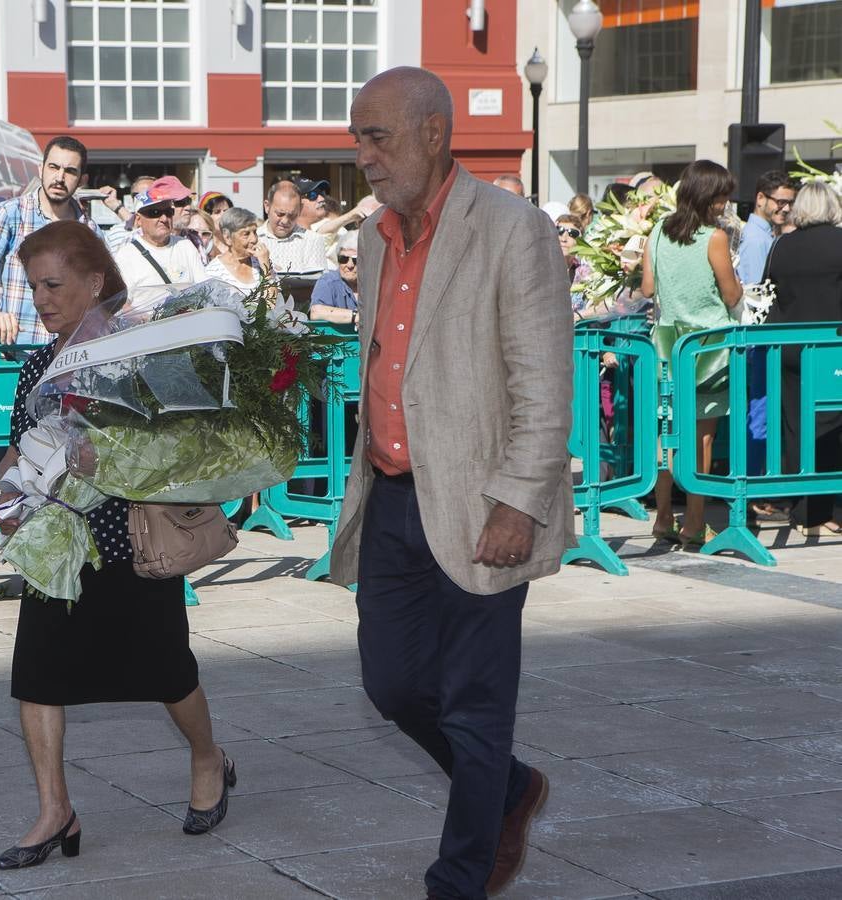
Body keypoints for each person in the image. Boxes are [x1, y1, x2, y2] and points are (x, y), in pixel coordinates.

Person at [330, 67, 574, 900]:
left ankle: (461, 874)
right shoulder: (373, 237)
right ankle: (508, 787)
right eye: (357, 136)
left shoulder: (513, 229)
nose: (361, 154)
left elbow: (544, 384)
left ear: (435, 132)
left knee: (474, 702)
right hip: (393, 493)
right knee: (390, 683)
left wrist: (519, 500)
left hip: (482, 501)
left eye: (377, 135)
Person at [0, 219, 234, 870]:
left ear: (94, 282)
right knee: (36, 675)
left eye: (53, 284)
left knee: (165, 671)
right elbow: (20, 441)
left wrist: (113, 456)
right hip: (57, 542)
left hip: (130, 538)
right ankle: (54, 810)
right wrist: (8, 493)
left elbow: (182, 447)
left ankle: (209, 758)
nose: (40, 299)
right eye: (33, 285)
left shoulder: (142, 351)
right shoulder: (39, 362)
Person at [641, 160, 742, 547]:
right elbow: (730, 293)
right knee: (702, 438)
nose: (724, 203)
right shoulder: (714, 237)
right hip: (706, 344)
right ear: (707, 195)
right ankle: (694, 521)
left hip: (666, 341)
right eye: (721, 196)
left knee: (668, 434)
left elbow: (648, 290)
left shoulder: (658, 231)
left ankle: (664, 516)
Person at [0, 136, 108, 345]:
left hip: (67, 358)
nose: (59, 177)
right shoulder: (11, 213)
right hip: (13, 353)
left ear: (82, 180)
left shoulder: (90, 231)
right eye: (53, 167)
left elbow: (103, 294)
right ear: (40, 170)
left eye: (70, 171)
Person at [765, 181, 842, 536]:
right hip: (832, 347)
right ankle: (822, 511)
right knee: (830, 426)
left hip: (789, 347)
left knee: (796, 426)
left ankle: (803, 509)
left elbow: (768, 288)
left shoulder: (782, 246)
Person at [736, 171, 798, 522]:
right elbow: (757, 292)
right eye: (780, 201)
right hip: (757, 338)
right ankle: (755, 492)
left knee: (759, 412)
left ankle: (755, 488)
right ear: (761, 199)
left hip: (759, 338)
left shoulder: (762, 235)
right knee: (759, 413)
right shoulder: (757, 240)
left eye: (790, 202)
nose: (785, 208)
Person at [112, 179, 205, 305]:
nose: (164, 218)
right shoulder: (125, 255)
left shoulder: (185, 246)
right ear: (138, 220)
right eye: (155, 212)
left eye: (168, 212)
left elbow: (205, 288)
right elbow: (122, 304)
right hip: (147, 324)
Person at [257, 182, 328, 275]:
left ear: (300, 209)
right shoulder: (254, 239)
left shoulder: (313, 240)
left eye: (292, 215)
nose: (285, 221)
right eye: (280, 214)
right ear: (267, 206)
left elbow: (318, 282)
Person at [203, 207, 273, 294]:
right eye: (246, 234)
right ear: (228, 237)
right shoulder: (214, 272)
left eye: (254, 232)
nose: (254, 239)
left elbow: (274, 303)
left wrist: (266, 267)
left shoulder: (261, 262)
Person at [308, 230, 359, 326]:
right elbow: (316, 312)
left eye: (356, 260)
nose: (349, 265)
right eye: (343, 259)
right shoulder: (328, 281)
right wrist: (356, 316)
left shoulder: (375, 284)